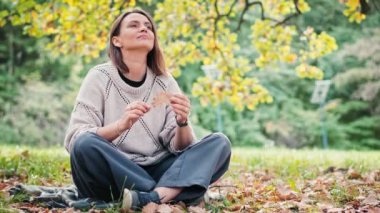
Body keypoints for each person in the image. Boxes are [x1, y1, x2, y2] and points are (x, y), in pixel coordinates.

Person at [64, 8, 231, 211]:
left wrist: (182, 122)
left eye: (148, 26)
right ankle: (172, 193)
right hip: (116, 170)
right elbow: (75, 139)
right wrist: (120, 126)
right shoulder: (99, 77)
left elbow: (180, 147)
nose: (144, 28)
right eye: (134, 25)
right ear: (117, 40)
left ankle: (150, 197)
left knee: (219, 143)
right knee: (85, 144)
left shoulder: (165, 81)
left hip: (158, 168)